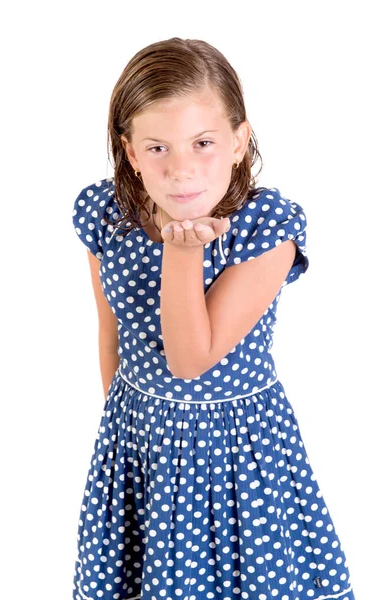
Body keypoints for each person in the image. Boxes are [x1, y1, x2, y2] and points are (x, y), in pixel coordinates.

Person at [71, 37, 355, 600]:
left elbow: (191, 359)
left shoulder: (265, 231)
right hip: (138, 445)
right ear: (130, 152)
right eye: (158, 148)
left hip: (234, 456)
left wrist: (182, 251)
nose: (181, 170)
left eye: (202, 142)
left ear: (237, 142)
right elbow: (111, 338)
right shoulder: (109, 215)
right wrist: (125, 442)